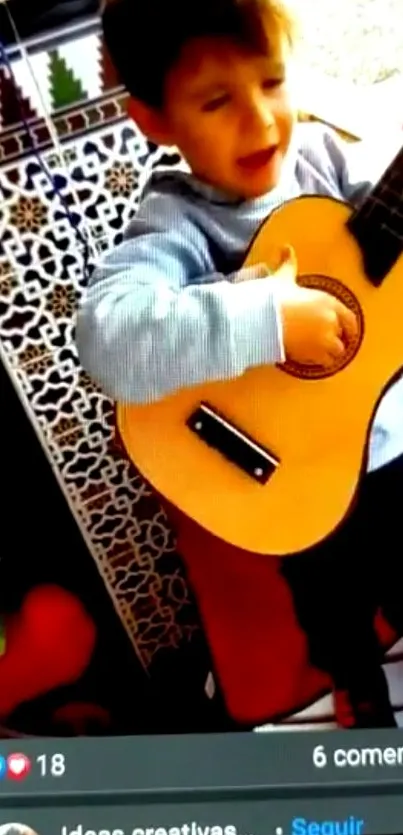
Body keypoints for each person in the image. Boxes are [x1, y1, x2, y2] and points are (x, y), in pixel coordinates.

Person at [76, 0, 403, 727]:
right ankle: (356, 684)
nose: (259, 122)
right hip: (288, 475)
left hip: (392, 447)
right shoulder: (178, 222)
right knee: (332, 604)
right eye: (216, 101)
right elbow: (106, 338)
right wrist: (268, 320)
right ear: (155, 121)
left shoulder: (325, 160)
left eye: (273, 82)